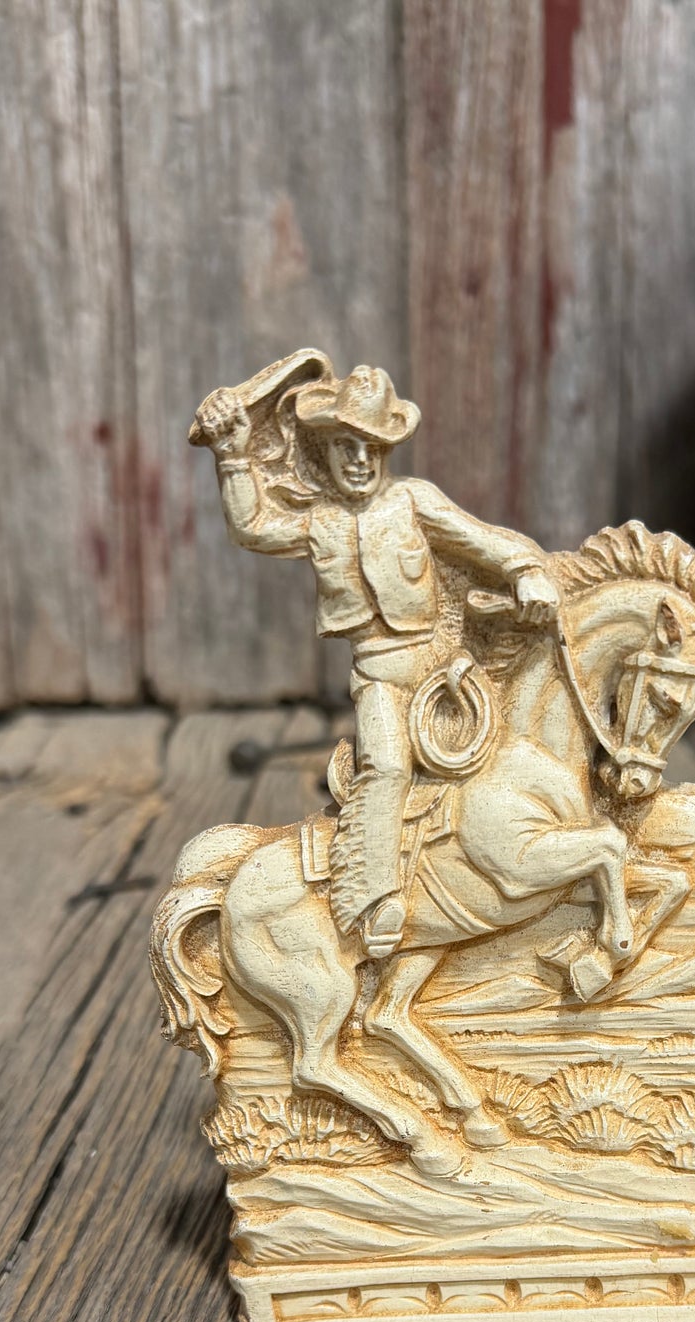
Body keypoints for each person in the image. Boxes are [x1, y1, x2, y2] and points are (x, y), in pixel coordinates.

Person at [198, 364, 561, 957]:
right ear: (326, 448)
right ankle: (373, 902)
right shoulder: (321, 522)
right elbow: (253, 527)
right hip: (379, 678)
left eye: (373, 446)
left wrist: (526, 572)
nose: (361, 460)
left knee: (510, 755)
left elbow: (483, 540)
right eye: (347, 446)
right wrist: (233, 454)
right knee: (387, 770)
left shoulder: (413, 501)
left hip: (446, 666)